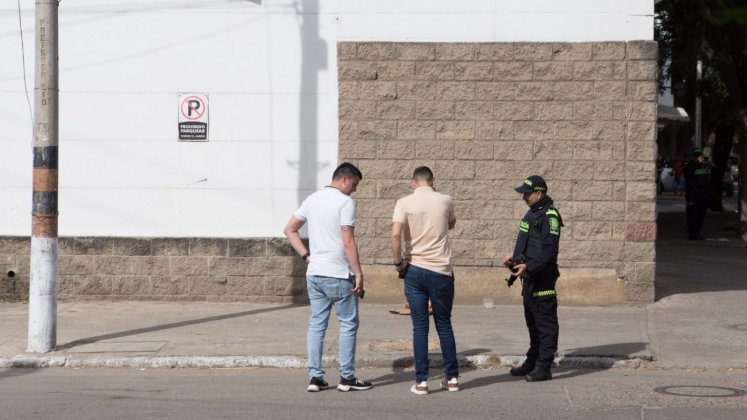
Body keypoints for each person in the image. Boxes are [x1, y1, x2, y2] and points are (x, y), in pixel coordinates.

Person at [283, 162, 373, 393]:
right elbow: (347, 241)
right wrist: (359, 272)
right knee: (348, 324)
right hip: (338, 274)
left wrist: (306, 256)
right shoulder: (345, 202)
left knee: (317, 325)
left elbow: (289, 229)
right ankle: (347, 378)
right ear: (344, 179)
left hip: (315, 273)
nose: (354, 190)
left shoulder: (313, 199)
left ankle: (315, 378)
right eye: (354, 184)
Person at [390, 166, 459, 395]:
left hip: (415, 270)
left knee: (420, 328)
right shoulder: (446, 199)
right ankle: (452, 380)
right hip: (441, 270)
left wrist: (398, 263)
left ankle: (421, 382)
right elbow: (451, 223)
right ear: (433, 181)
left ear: (413, 183)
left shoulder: (404, 202)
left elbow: (395, 234)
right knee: (444, 325)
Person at [502, 175, 563, 382]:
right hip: (528, 277)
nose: (524, 198)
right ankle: (533, 360)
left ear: (539, 193)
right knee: (532, 322)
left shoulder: (550, 216)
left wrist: (530, 265)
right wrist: (515, 258)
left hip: (543, 278)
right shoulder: (533, 212)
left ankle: (544, 367)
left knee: (545, 324)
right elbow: (530, 243)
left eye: (527, 194)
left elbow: (549, 250)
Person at [683, 148, 711, 240]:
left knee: (701, 214)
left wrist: (709, 163)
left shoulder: (705, 166)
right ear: (692, 157)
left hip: (703, 194)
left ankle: (697, 232)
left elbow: (713, 174)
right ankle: (692, 233)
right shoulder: (689, 166)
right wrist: (695, 163)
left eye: (699, 156)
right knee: (692, 214)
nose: (698, 158)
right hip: (693, 194)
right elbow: (688, 174)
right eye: (695, 156)